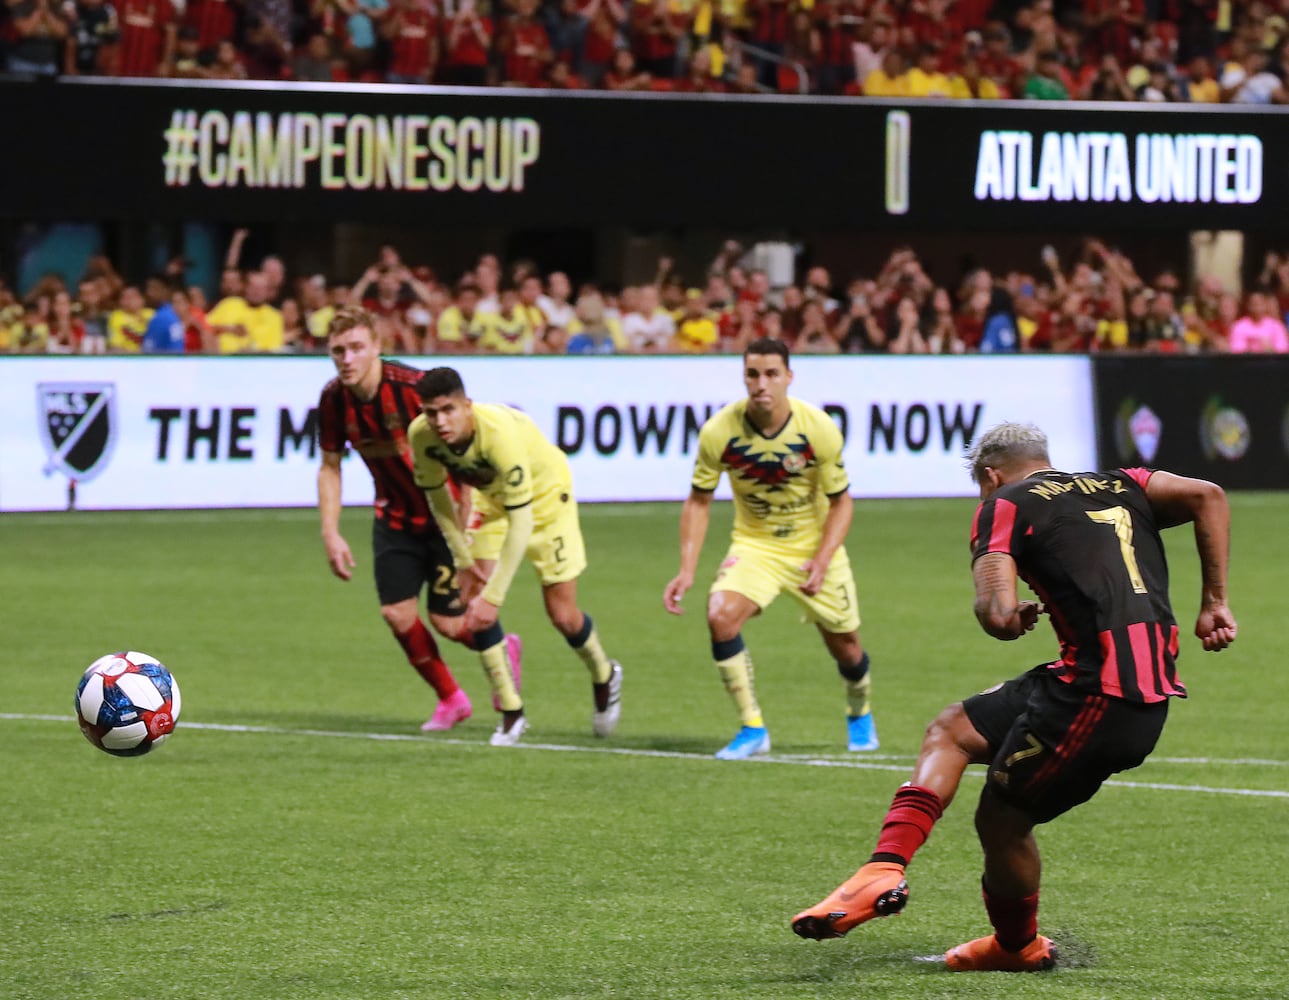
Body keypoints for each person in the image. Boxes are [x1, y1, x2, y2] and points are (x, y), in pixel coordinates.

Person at [791, 422, 1236, 971]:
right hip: (1116, 681)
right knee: (953, 728)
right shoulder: (1121, 483)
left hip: (1100, 696)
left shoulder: (1002, 502)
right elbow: (1208, 495)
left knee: (1001, 821)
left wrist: (1006, 616)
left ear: (990, 475)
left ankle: (1017, 948)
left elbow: (995, 613)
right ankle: (884, 866)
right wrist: (1214, 600)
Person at [662, 338, 879, 759]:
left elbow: (842, 502)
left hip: (814, 547)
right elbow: (699, 501)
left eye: (771, 374)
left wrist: (820, 560)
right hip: (756, 546)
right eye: (753, 374)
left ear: (788, 378)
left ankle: (860, 710)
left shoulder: (817, 429)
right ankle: (752, 726)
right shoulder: (718, 432)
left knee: (847, 647)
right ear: (744, 377)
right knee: (720, 616)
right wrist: (687, 569)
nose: (761, 384)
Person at [316, 307, 521, 732]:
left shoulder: (412, 389)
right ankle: (452, 699)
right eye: (338, 350)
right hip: (394, 517)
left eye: (356, 348)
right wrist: (331, 532)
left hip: (446, 516)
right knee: (397, 614)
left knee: (448, 622)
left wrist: (469, 520)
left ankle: (500, 647)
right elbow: (330, 465)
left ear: (377, 347)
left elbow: (465, 442)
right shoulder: (334, 398)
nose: (347, 359)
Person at [409, 366, 623, 747]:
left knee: (562, 616)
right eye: (431, 412)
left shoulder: (499, 435)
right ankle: (512, 713)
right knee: (471, 603)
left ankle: (604, 674)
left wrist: (494, 596)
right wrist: (462, 560)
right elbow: (438, 498)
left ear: (467, 406)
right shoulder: (421, 436)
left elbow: (522, 522)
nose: (440, 422)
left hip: (544, 502)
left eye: (448, 410)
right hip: (490, 503)